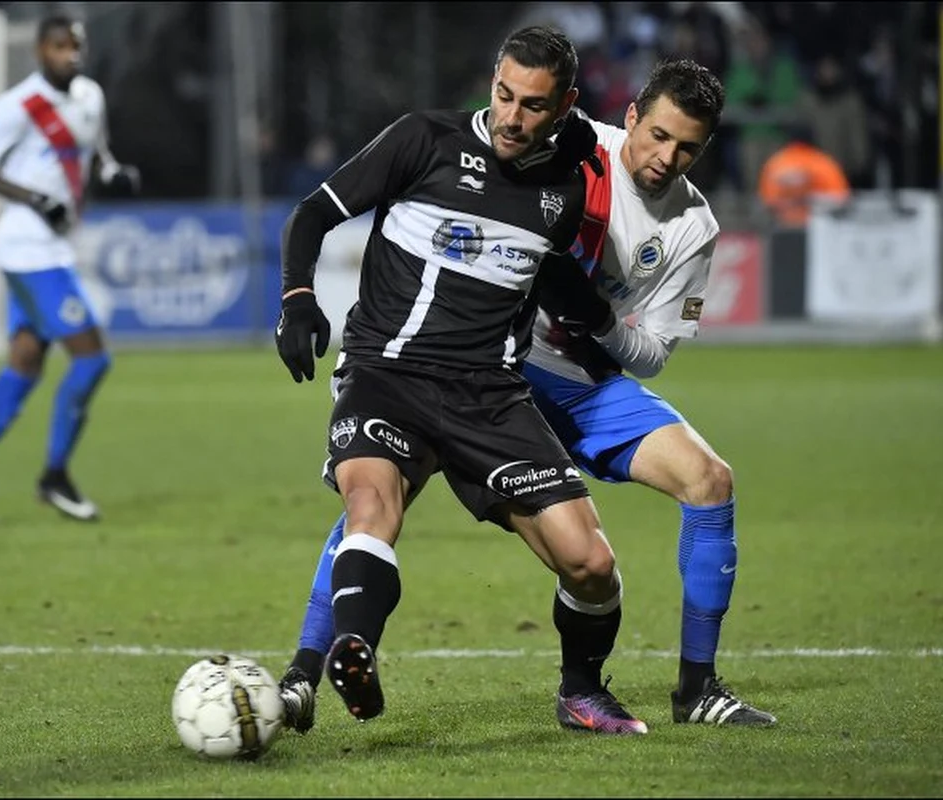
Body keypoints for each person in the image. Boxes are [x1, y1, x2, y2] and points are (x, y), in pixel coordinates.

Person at [278, 58, 777, 734]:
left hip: (583, 387)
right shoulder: (570, 149)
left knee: (708, 480)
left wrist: (596, 322)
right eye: (658, 135)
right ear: (630, 116)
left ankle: (696, 688)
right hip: (494, 369)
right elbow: (494, 147)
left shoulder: (693, 226)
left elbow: (651, 355)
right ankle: (307, 672)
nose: (666, 157)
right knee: (377, 493)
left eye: (686, 147)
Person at [0, 15, 140, 524]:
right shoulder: (19, 105)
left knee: (24, 363)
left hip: (55, 247)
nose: (70, 54)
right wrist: (32, 198)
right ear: (39, 51)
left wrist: (113, 173)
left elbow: (96, 154)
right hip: (26, 247)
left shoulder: (90, 96)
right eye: (59, 46)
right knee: (91, 359)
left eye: (76, 45)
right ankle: (54, 476)